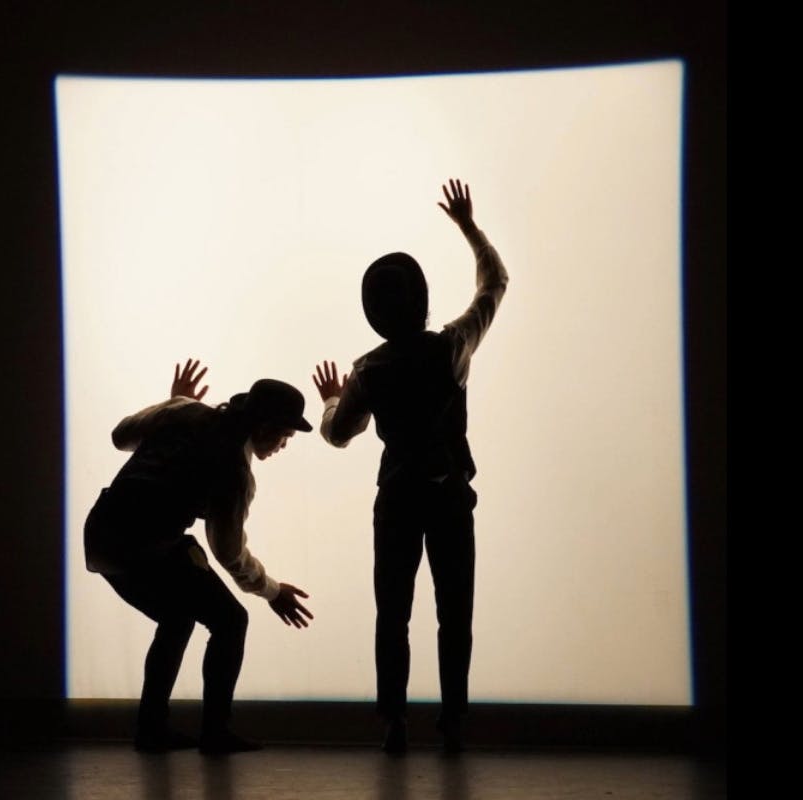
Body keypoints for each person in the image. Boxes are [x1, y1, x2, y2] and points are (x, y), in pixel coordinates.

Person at [312, 178, 509, 754]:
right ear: (421, 299)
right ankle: (453, 721)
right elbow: (494, 284)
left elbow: (338, 434)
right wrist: (470, 227)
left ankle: (394, 721)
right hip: (450, 497)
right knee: (456, 614)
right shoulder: (451, 347)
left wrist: (329, 397)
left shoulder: (368, 370)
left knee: (391, 614)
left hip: (396, 501)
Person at [85, 359, 315, 755]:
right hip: (145, 545)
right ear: (263, 428)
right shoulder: (234, 471)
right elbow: (228, 552)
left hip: (103, 534)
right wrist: (273, 591)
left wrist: (173, 403)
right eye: (285, 435)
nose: (284, 445)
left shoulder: (184, 411)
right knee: (230, 620)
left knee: (177, 618)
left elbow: (121, 436)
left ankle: (152, 728)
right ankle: (214, 732)